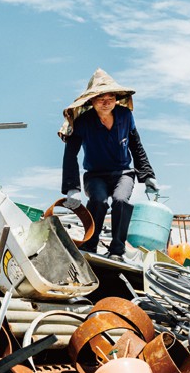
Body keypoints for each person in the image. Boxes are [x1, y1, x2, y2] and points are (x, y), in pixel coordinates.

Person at [58, 68, 159, 261]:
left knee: (121, 201)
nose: (106, 103)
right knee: (99, 201)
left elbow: (136, 146)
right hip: (95, 174)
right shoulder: (82, 122)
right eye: (100, 99)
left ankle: (117, 250)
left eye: (111, 98)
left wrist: (147, 176)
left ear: (116, 99)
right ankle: (90, 244)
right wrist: (72, 188)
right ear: (91, 101)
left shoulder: (125, 116)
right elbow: (70, 154)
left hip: (123, 172)